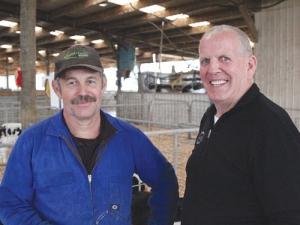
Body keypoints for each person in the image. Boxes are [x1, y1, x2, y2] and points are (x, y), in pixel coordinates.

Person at [0, 45, 179, 224]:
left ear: (103, 84)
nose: (83, 92)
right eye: (72, 82)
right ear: (57, 88)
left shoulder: (129, 138)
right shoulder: (31, 143)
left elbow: (165, 179)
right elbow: (10, 203)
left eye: (91, 81)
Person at [181, 25, 300, 224]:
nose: (212, 69)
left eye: (224, 58)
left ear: (250, 66)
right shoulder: (210, 117)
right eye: (205, 61)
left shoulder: (271, 126)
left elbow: (290, 214)